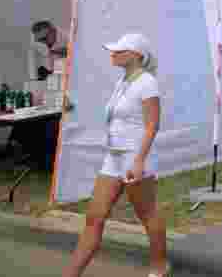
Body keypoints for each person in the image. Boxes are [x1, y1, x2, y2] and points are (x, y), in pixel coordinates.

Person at [64, 33, 167, 277]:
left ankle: (159, 266)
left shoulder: (147, 83)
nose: (113, 54)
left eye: (119, 51)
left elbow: (153, 125)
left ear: (137, 55)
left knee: (147, 214)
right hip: (113, 156)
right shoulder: (123, 81)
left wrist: (139, 161)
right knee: (94, 217)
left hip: (135, 157)